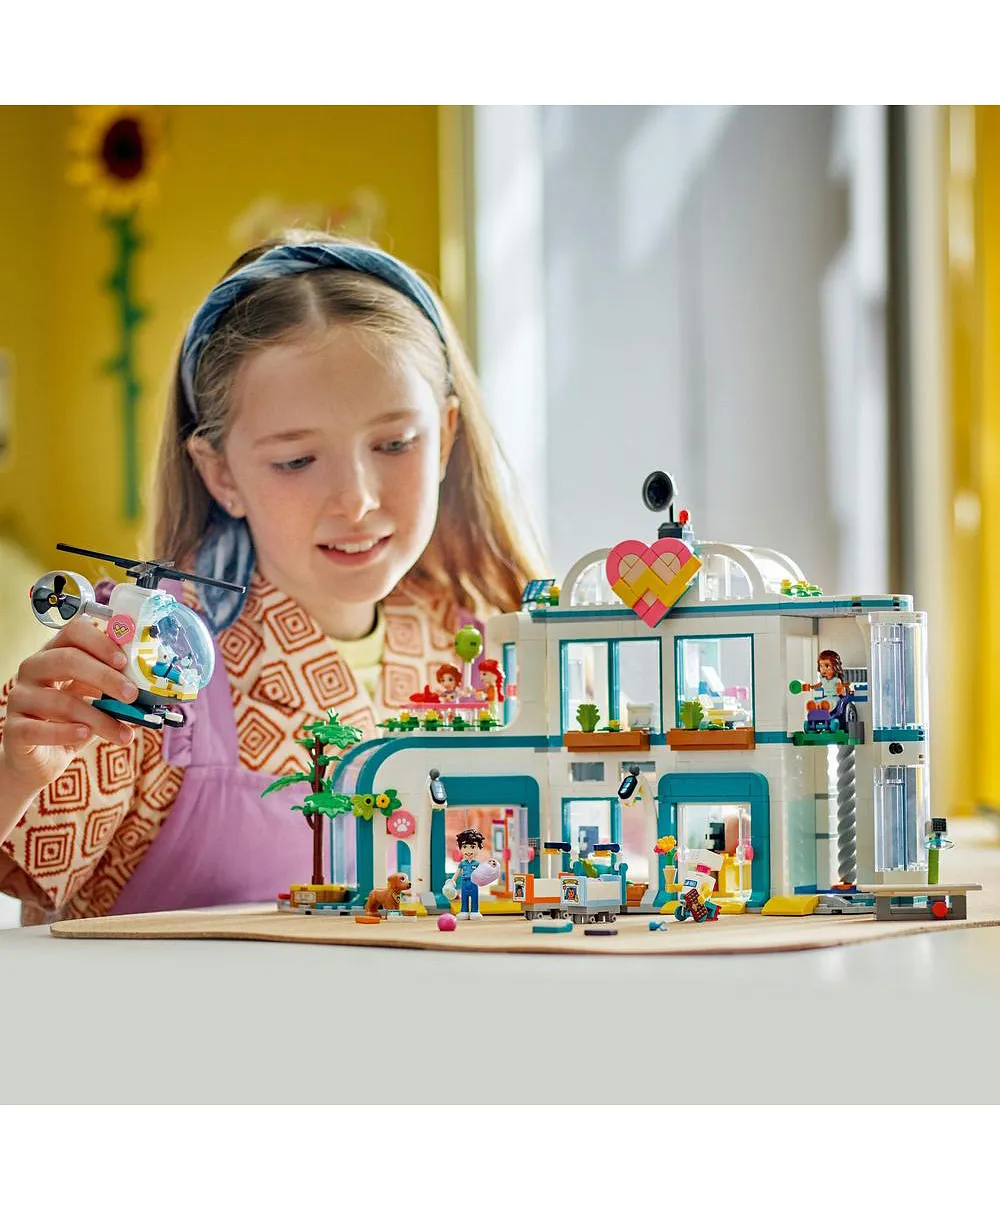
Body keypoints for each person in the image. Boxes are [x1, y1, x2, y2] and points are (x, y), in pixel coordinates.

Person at [0, 234, 544, 922]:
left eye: (394, 443)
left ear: (445, 433)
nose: (357, 500)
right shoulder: (147, 652)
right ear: (220, 473)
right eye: (296, 460)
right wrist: (16, 770)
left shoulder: (492, 651)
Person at [453, 827, 486, 920]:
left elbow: (482, 873)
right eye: (464, 847)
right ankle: (464, 911)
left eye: (472, 847)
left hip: (474, 883)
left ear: (479, 848)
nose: (468, 851)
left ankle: (475, 911)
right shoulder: (462, 863)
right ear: (460, 848)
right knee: (464, 898)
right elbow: (457, 873)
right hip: (464, 883)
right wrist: (452, 880)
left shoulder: (477, 863)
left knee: (475, 898)